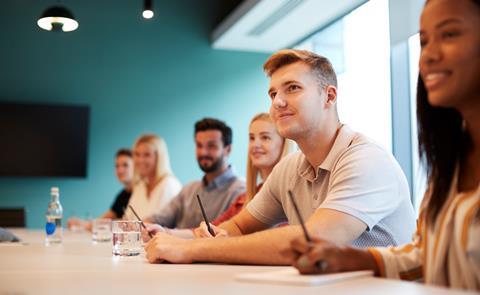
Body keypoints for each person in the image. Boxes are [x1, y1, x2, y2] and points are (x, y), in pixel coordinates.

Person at [144, 49, 416, 265]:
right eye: (273, 93)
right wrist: (216, 235)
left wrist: (196, 248)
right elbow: (239, 224)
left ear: (329, 96)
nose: (277, 102)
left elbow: (312, 240)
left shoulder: (366, 160)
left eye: (293, 88)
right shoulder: (289, 167)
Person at [285, 0, 480, 290]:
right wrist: (352, 258)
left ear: (330, 97)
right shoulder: (451, 163)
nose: (428, 55)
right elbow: (427, 253)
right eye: (424, 41)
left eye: (449, 34)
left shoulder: (365, 158)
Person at [193, 113, 295, 238]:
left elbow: (278, 244)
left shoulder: (291, 197)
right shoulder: (243, 198)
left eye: (265, 137)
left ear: (284, 144)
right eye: (252, 138)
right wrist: (205, 232)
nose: (255, 145)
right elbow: (216, 227)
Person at [143, 118, 245, 233]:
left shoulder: (240, 191)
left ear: (228, 149)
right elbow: (158, 218)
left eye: (211, 146)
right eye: (199, 145)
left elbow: (219, 234)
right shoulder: (189, 189)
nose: (203, 152)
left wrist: (166, 233)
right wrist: (142, 226)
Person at [67, 148, 134, 231]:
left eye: (125, 165)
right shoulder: (122, 195)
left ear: (136, 166)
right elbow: (103, 220)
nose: (120, 170)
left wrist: (86, 224)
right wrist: (82, 223)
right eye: (117, 166)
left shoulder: (140, 194)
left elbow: (128, 223)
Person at [123, 134, 181, 220]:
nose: (140, 160)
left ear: (159, 157)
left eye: (147, 155)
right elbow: (126, 221)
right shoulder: (140, 186)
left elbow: (164, 224)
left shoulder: (169, 185)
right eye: (137, 154)